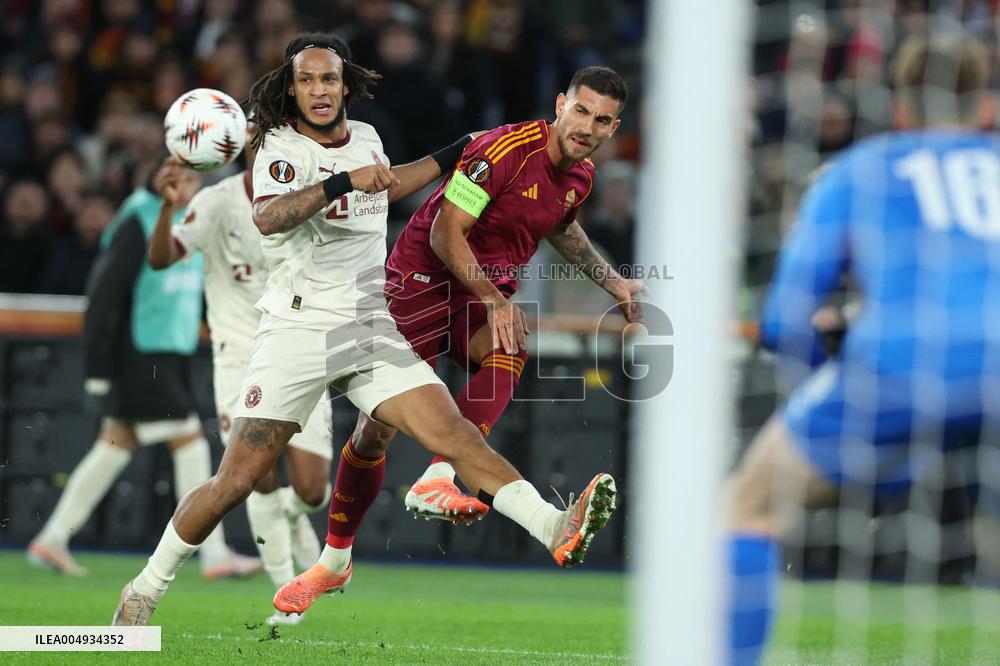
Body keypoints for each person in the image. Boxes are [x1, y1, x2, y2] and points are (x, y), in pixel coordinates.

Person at [113, 33, 617, 627]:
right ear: (293, 88)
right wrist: (340, 182)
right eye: (307, 80)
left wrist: (459, 150)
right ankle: (144, 588)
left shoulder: (369, 138)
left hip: (364, 324)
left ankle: (552, 526)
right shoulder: (279, 144)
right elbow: (269, 217)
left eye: (329, 80)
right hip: (296, 327)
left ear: (346, 85)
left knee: (455, 436)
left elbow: (390, 180)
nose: (319, 90)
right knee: (237, 480)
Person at [725, 35, 1000, 664]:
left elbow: (783, 319)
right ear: (985, 108)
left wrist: (831, 390)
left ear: (900, 110)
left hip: (899, 367)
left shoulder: (863, 169)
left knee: (747, 509)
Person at [330, 66, 643, 533]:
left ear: (613, 128)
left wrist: (613, 283)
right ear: (561, 105)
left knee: (511, 345)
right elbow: (444, 231)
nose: (586, 127)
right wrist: (496, 300)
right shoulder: (503, 150)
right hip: (421, 283)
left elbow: (559, 223)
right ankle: (335, 554)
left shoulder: (582, 177)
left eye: (601, 120)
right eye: (580, 111)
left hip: (476, 295)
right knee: (375, 432)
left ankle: (439, 475)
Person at [28, 159, 260, 581]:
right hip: (141, 354)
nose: (190, 184)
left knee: (114, 446)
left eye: (194, 177)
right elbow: (103, 295)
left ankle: (53, 537)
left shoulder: (187, 218)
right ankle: (214, 553)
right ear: (159, 178)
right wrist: (98, 369)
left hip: (166, 351)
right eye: (182, 177)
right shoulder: (138, 217)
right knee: (189, 442)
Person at [146, 139, 332, 625]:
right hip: (240, 357)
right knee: (253, 477)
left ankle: (292, 520)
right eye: (258, 141)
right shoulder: (217, 201)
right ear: (245, 150)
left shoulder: (306, 198)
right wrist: (168, 209)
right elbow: (162, 258)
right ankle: (285, 592)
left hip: (298, 351)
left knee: (313, 491)